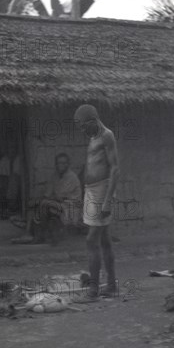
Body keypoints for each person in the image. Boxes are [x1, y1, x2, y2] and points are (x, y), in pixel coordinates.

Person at [74, 104, 120, 300]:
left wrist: (107, 201)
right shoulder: (94, 137)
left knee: (91, 240)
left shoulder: (107, 136)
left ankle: (93, 290)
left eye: (84, 126)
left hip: (102, 192)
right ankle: (111, 285)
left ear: (93, 121)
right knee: (105, 240)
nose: (82, 131)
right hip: (92, 191)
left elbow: (115, 168)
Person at [32, 152, 82, 245]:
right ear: (56, 164)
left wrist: (47, 199)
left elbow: (60, 197)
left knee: (45, 205)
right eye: (59, 163)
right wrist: (39, 200)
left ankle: (42, 235)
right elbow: (48, 193)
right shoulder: (55, 176)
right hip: (60, 204)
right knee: (39, 204)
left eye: (64, 163)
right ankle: (41, 234)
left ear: (68, 164)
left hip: (71, 206)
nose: (61, 165)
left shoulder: (72, 177)